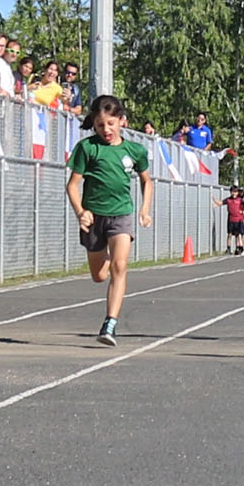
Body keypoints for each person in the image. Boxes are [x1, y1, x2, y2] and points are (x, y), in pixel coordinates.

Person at [65, 94, 152, 346]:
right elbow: (72, 186)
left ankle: (110, 323)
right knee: (99, 275)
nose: (106, 130)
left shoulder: (134, 150)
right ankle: (100, 257)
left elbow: (147, 181)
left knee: (120, 266)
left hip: (121, 213)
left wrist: (144, 210)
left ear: (121, 121)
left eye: (111, 124)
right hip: (94, 218)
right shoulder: (87, 148)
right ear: (94, 123)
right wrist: (81, 211)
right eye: (101, 125)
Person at [213, 185, 244, 254]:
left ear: (237, 193)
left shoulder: (240, 200)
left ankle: (238, 248)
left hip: (238, 220)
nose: (234, 193)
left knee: (237, 234)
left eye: (235, 192)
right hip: (231, 219)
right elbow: (221, 203)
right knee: (230, 234)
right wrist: (215, 200)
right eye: (232, 192)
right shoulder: (228, 200)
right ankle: (228, 248)